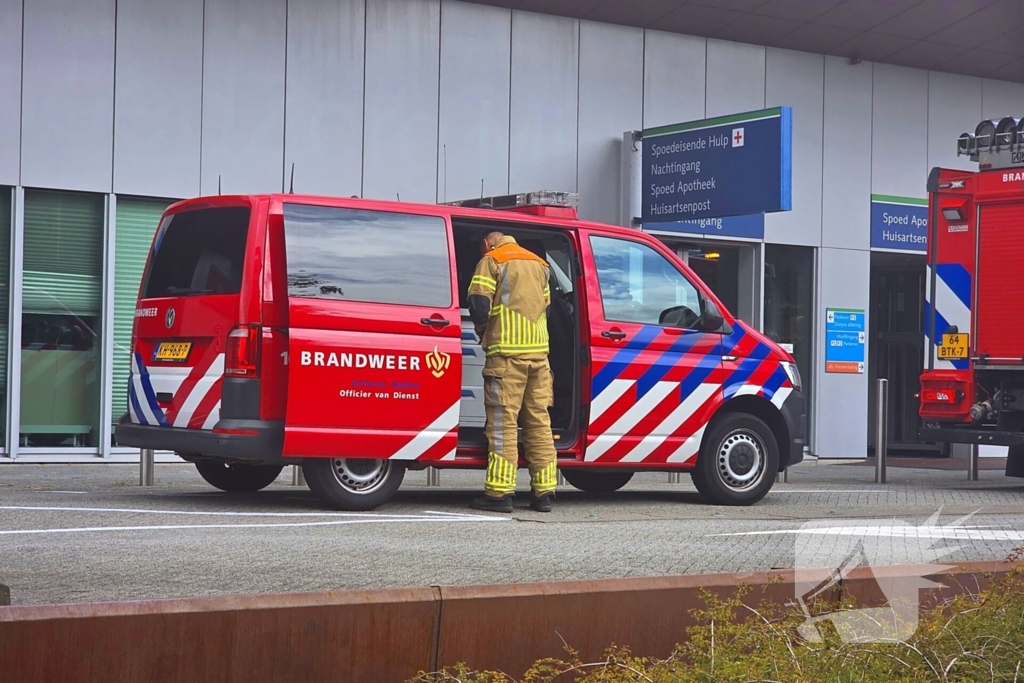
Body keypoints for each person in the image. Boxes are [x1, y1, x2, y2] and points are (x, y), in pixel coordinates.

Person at [467, 231, 558, 513]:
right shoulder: (541, 265)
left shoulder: (492, 260)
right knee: (539, 424)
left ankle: (499, 494)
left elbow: (479, 306)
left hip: (506, 358)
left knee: (503, 425)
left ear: (487, 242)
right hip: (539, 358)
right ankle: (544, 492)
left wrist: (484, 333)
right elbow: (547, 309)